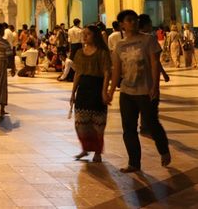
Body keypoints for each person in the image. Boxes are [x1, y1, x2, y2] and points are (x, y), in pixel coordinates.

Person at [107, 9, 171, 173]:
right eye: (129, 20)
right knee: (128, 128)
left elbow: (155, 63)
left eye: (135, 19)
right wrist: (111, 91)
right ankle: (134, 163)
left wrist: (155, 86)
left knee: (151, 123)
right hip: (127, 92)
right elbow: (116, 71)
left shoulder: (148, 40)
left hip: (146, 90)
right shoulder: (119, 45)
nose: (133, 22)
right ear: (122, 24)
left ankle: (163, 150)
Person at [70, 25, 112, 163]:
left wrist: (104, 91)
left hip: (97, 87)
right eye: (84, 34)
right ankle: (85, 148)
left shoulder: (102, 53)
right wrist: (73, 93)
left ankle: (97, 153)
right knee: (81, 124)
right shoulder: (79, 53)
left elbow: (107, 72)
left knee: (98, 124)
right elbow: (78, 73)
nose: (85, 36)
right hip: (83, 89)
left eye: (88, 34)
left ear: (96, 36)